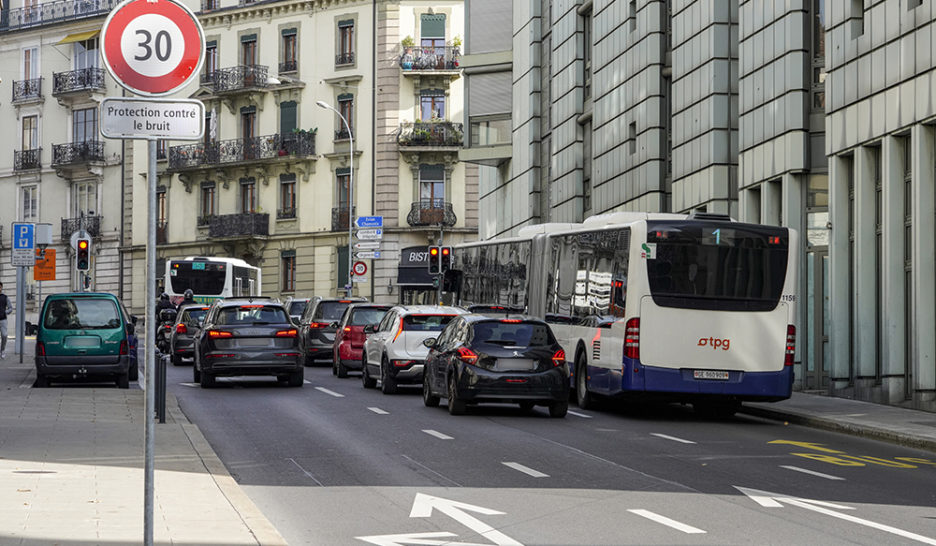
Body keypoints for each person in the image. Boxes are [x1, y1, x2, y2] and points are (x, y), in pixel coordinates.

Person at [0, 282, 12, 359]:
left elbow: (10, 308)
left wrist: (5, 312)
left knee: (4, 335)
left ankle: (2, 350)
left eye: (0, 287)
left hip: (3, 319)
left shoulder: (5, 297)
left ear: (1, 288)